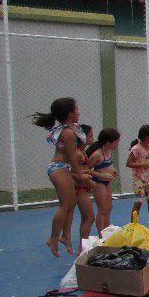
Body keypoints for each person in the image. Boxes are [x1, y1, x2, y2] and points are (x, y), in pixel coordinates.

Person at [32, 97, 92, 257]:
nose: (79, 111)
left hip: (63, 168)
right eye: (77, 109)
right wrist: (79, 173)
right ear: (70, 113)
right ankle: (53, 238)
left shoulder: (69, 129)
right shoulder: (68, 132)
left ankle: (65, 235)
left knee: (71, 203)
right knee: (65, 205)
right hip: (59, 168)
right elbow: (72, 156)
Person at [127, 125, 149, 232]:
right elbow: (129, 163)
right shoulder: (136, 149)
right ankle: (133, 227)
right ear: (147, 138)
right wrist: (142, 164)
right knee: (138, 202)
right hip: (138, 179)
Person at [86, 128, 120, 234]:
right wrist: (101, 175)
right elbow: (85, 169)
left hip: (106, 182)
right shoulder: (97, 154)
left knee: (109, 207)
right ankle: (101, 235)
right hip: (99, 182)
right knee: (102, 209)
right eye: (116, 142)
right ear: (108, 143)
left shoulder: (108, 151)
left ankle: (107, 231)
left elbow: (108, 165)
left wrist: (113, 170)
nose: (117, 145)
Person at [74, 125, 96, 252]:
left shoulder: (82, 152)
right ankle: (82, 249)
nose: (92, 138)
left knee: (85, 218)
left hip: (83, 187)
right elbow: (72, 172)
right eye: (90, 135)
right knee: (89, 217)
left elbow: (83, 170)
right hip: (79, 188)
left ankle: (82, 246)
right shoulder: (77, 153)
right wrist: (86, 179)